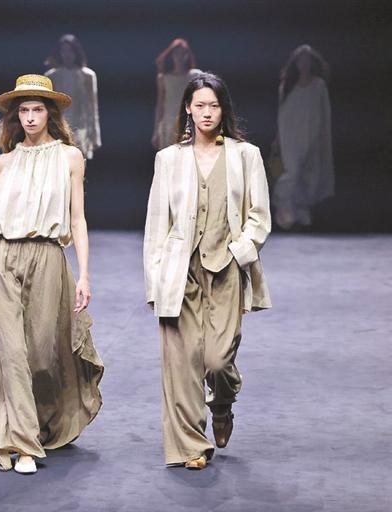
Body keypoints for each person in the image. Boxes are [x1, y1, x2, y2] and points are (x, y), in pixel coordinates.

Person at [0, 74, 104, 475]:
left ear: (50, 114)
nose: (30, 117)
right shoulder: (3, 163)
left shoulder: (69, 157)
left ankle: (41, 422)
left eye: (38, 109)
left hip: (47, 256)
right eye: (24, 110)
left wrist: (84, 275)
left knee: (42, 355)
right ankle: (23, 445)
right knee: (10, 352)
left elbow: (77, 219)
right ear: (15, 116)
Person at [143, 72, 272, 470]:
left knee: (217, 360)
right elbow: (156, 225)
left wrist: (240, 251)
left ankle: (222, 403)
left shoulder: (245, 155)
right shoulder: (169, 159)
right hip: (179, 271)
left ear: (223, 109)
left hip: (226, 269)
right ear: (187, 108)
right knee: (182, 364)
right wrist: (154, 282)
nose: (206, 113)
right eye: (199, 105)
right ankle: (191, 447)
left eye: (214, 105)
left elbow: (259, 215)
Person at [271, 44, 334, 230]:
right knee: (292, 171)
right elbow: (281, 115)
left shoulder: (318, 86)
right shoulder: (287, 86)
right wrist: (277, 138)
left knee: (307, 175)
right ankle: (284, 206)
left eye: (307, 60)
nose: (304, 63)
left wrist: (321, 138)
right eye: (301, 60)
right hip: (290, 137)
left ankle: (298, 211)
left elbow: (324, 113)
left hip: (311, 136)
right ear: (295, 63)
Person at [44, 34, 102, 159]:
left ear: (76, 52)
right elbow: (47, 106)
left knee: (78, 163)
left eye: (70, 50)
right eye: (64, 50)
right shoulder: (51, 76)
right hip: (58, 127)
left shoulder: (88, 75)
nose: (67, 54)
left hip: (81, 128)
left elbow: (92, 107)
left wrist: (95, 136)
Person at [151, 38, 201, 150]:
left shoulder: (196, 76)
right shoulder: (164, 79)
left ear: (187, 55)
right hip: (169, 124)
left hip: (190, 124)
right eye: (176, 53)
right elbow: (160, 105)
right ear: (172, 56)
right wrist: (156, 131)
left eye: (183, 53)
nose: (180, 56)